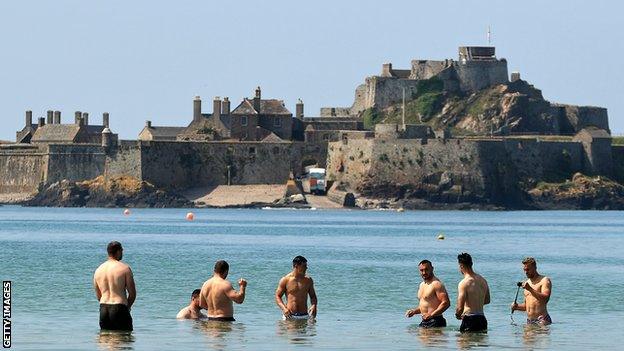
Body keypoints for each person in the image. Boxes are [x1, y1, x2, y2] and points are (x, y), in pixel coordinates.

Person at [93, 241, 136, 331]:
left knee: (105, 340)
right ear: (118, 251)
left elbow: (98, 296)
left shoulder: (98, 270)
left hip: (104, 309)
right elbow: (132, 294)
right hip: (119, 308)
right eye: (122, 251)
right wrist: (127, 308)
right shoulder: (125, 269)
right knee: (124, 340)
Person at [405, 259, 450, 328]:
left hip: (436, 321)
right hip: (425, 321)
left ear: (432, 269)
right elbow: (425, 307)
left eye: (426, 269)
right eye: (421, 270)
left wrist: (431, 314)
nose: (424, 272)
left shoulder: (436, 284)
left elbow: (446, 303)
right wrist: (414, 311)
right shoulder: (422, 285)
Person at [511, 257, 552, 325]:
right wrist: (516, 307)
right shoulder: (527, 283)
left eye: (528, 269)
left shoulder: (544, 280)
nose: (526, 272)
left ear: (535, 267)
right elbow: (526, 306)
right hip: (530, 321)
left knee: (541, 335)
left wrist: (530, 289)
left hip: (542, 319)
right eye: (524, 270)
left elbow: (545, 299)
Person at [455, 252, 490, 333]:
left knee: (463, 344)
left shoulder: (463, 283)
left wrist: (457, 315)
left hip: (469, 319)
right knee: (480, 344)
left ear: (461, 266)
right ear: (471, 264)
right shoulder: (483, 280)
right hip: (482, 319)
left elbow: (460, 308)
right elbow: (487, 300)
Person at [275, 256, 318, 320]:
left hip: (304, 316)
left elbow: (313, 296)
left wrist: (314, 306)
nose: (306, 268)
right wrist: (284, 309)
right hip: (289, 315)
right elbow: (277, 296)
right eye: (304, 266)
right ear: (296, 265)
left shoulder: (308, 280)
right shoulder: (286, 280)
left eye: (306, 266)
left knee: (305, 330)